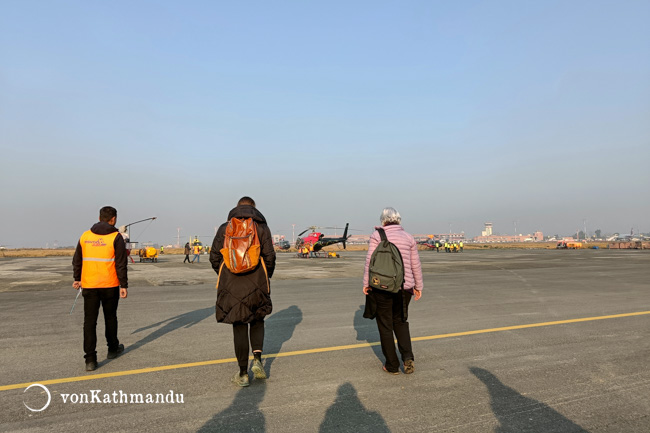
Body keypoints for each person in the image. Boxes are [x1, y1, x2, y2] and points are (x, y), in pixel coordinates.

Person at [210, 197, 276, 387]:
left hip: (231, 284)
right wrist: (265, 276)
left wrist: (225, 274)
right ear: (254, 209)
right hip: (257, 281)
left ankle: (242, 373)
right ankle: (257, 359)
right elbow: (269, 256)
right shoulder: (261, 228)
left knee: (238, 325)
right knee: (257, 320)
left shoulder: (225, 228)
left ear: (237, 208)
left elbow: (214, 256)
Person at [363, 207, 423, 375]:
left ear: (383, 220)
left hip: (382, 287)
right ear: (399, 220)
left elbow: (370, 262)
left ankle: (391, 365)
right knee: (401, 321)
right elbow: (415, 265)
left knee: (385, 326)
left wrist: (366, 283)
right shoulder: (408, 237)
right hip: (404, 287)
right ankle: (407, 357)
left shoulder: (377, 236)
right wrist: (418, 286)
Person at [72, 206, 128, 371]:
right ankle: (112, 349)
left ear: (99, 217)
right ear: (113, 219)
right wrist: (123, 285)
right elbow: (121, 263)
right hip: (109, 285)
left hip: (89, 285)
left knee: (89, 322)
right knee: (110, 318)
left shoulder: (85, 236)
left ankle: (90, 359)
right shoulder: (115, 237)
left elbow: (77, 259)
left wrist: (77, 278)